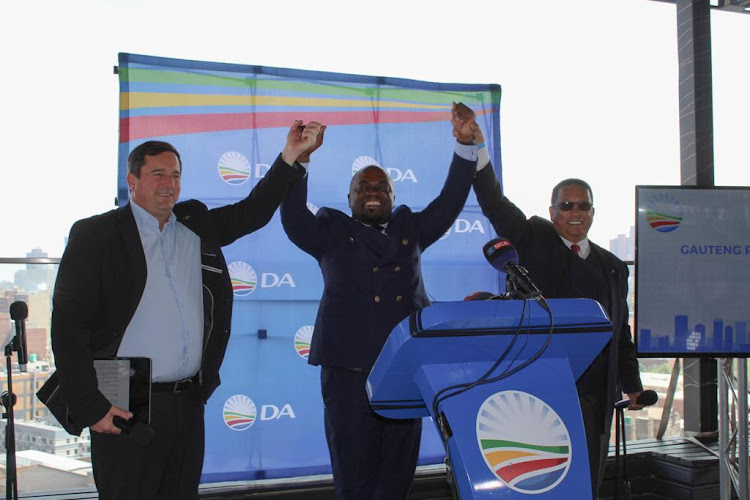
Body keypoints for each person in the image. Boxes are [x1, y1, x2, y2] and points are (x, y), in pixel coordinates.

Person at [49, 121, 322, 499]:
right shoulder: (96, 235)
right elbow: (68, 330)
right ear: (132, 180)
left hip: (187, 403)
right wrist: (90, 407)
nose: (169, 183)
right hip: (124, 402)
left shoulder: (194, 225)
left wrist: (290, 156)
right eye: (157, 173)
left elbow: (253, 211)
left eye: (175, 175)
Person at [279, 104, 480, 500]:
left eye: (381, 188)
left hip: (403, 369)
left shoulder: (411, 228)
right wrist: (299, 160)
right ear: (349, 196)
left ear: (392, 194)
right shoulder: (329, 230)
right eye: (363, 188)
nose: (372, 193)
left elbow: (450, 200)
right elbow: (291, 216)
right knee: (353, 478)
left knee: (396, 477)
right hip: (347, 373)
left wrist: (464, 146)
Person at [469, 125, 644, 498]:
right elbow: (495, 204)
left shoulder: (614, 267)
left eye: (583, 205)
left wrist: (632, 385)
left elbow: (621, 334)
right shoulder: (534, 236)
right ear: (552, 212)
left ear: (593, 212)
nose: (575, 212)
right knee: (543, 486)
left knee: (587, 485)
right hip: (540, 390)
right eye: (567, 205)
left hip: (596, 396)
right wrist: (476, 150)